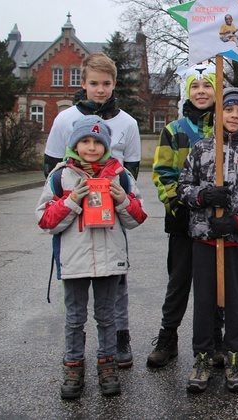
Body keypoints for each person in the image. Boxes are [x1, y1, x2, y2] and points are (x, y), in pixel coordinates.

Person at [36, 115, 147, 399]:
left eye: (98, 142)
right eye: (85, 141)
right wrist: (71, 201)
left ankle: (106, 362)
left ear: (106, 145)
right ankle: (73, 364)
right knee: (74, 317)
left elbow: (138, 218)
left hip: (110, 261)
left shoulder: (121, 175)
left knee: (107, 316)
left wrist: (122, 199)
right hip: (74, 261)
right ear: (75, 144)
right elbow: (46, 221)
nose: (91, 147)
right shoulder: (60, 176)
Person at [43, 52, 142, 368]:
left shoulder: (127, 122)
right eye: (94, 83)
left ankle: (119, 338)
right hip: (75, 215)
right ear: (83, 84)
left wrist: (117, 198)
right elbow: (53, 166)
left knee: (116, 283)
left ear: (114, 84)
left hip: (113, 208)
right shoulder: (64, 118)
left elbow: (133, 167)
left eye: (106, 84)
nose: (100, 90)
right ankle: (77, 352)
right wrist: (71, 203)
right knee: (77, 295)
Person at [178, 87, 238, 393]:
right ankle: (204, 358)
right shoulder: (202, 148)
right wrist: (203, 195)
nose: (234, 116)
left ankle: (234, 360)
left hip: (235, 241)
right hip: (205, 239)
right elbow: (182, 188)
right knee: (205, 302)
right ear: (219, 113)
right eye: (228, 110)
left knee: (234, 303)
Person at [147, 63, 225, 368]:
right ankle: (168, 336)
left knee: (215, 282)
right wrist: (176, 205)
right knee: (179, 281)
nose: (202, 92)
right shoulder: (174, 131)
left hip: (216, 220)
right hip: (182, 217)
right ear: (187, 92)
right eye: (195, 86)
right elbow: (163, 172)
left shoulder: (223, 128)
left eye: (208, 86)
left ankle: (216, 338)